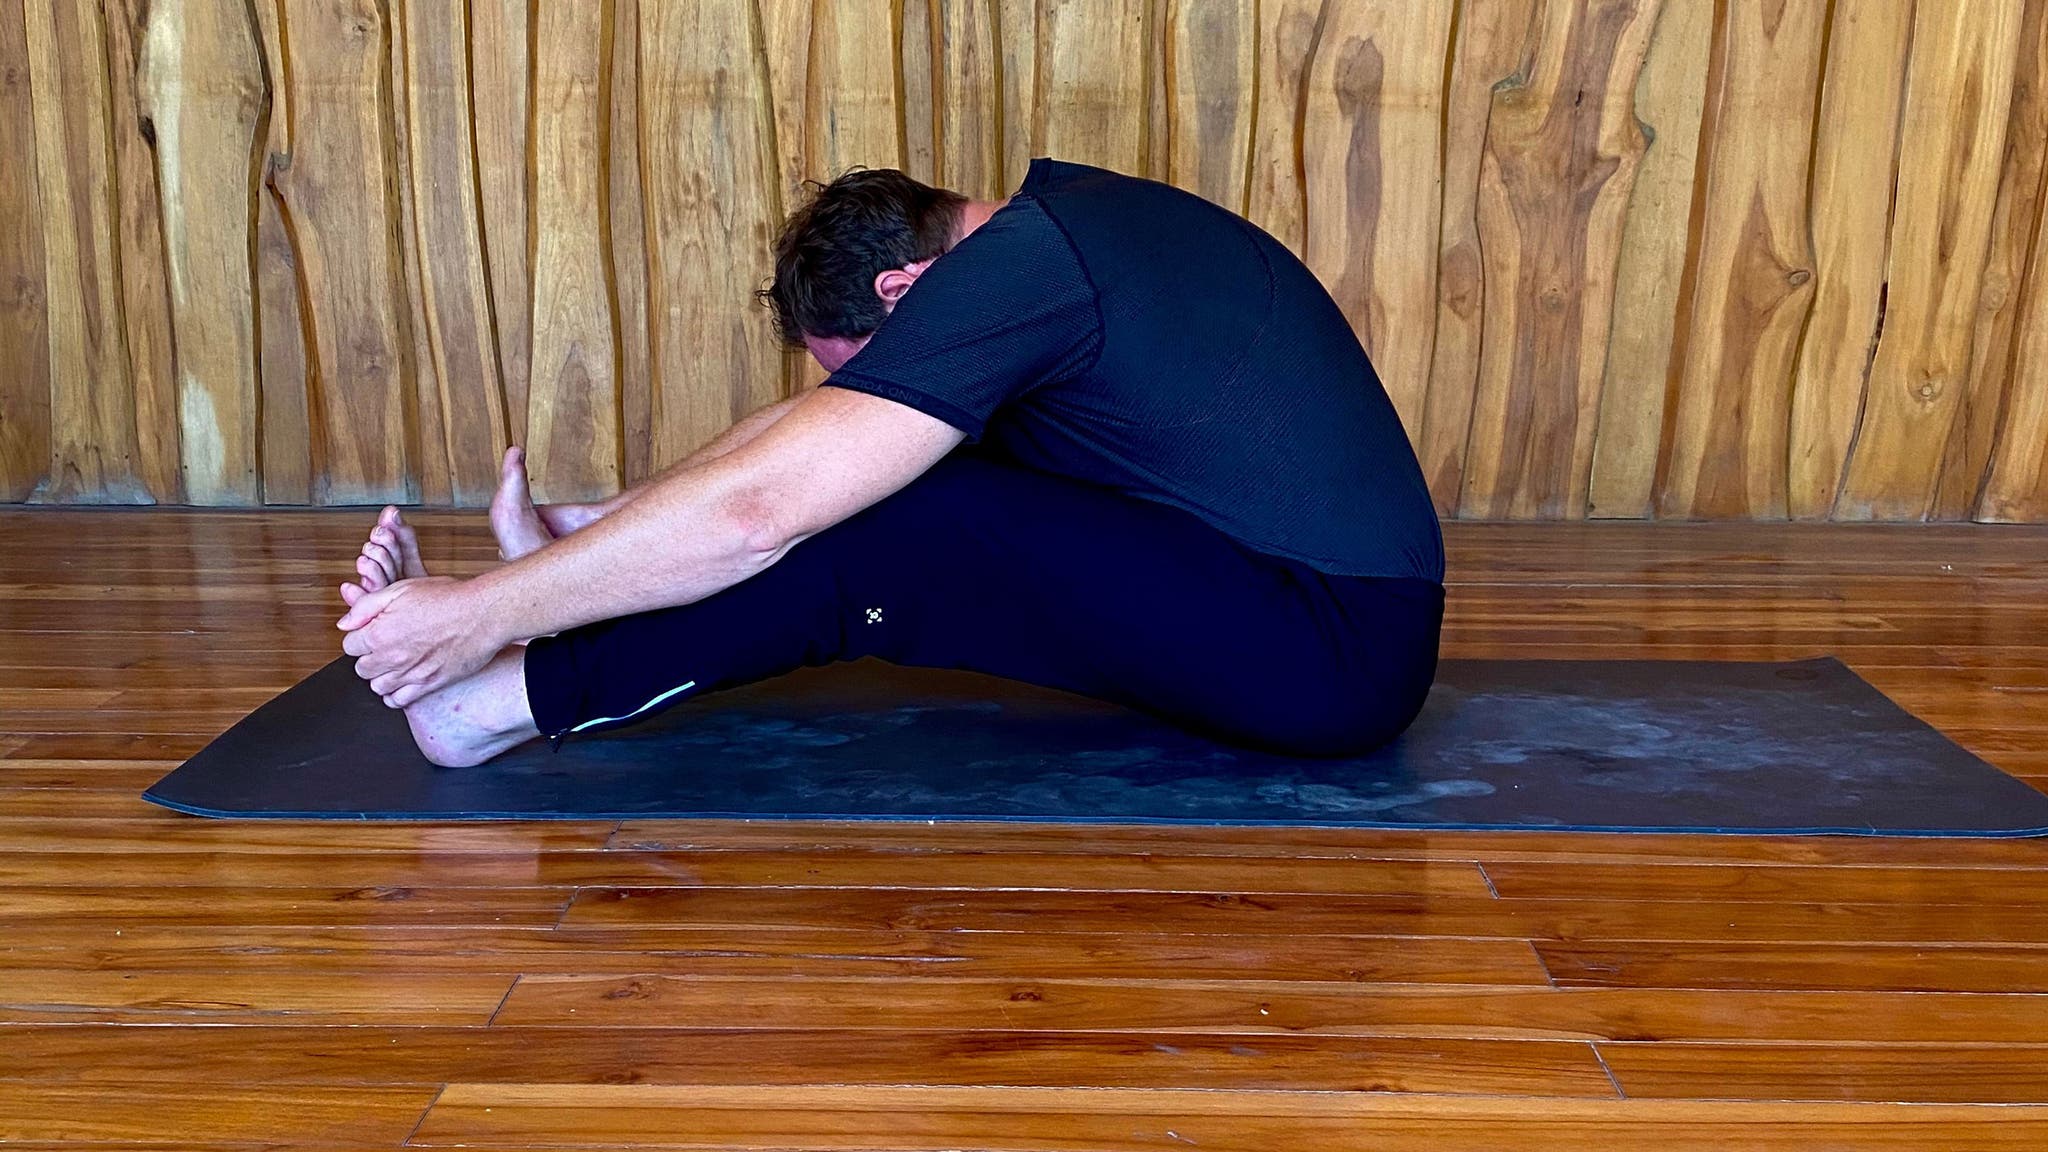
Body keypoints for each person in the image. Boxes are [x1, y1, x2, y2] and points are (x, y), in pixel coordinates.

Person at [338, 159, 1445, 767]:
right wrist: (598, 532)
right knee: (869, 471)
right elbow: (812, 431)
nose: (872, 389)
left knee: (888, 519)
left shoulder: (1023, 270)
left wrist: (476, 615)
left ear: (902, 290)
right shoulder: (1053, 233)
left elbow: (765, 506)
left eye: (875, 363)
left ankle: (493, 703)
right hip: (1297, 603)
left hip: (1333, 649)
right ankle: (554, 626)